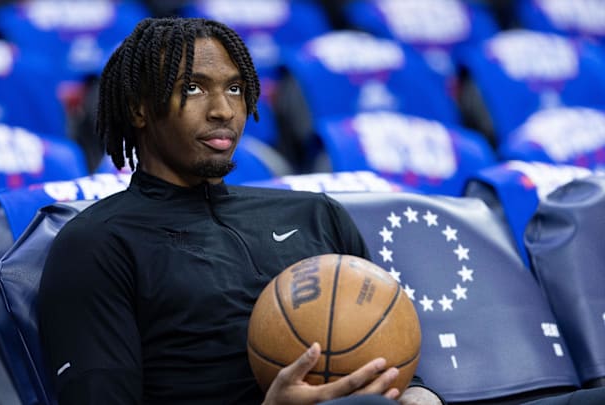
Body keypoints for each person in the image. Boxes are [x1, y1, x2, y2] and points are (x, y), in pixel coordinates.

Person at [37, 17, 444, 405]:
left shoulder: (317, 215)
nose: (223, 111)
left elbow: (395, 360)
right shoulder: (96, 244)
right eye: (193, 89)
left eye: (234, 89)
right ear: (139, 109)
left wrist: (420, 394)